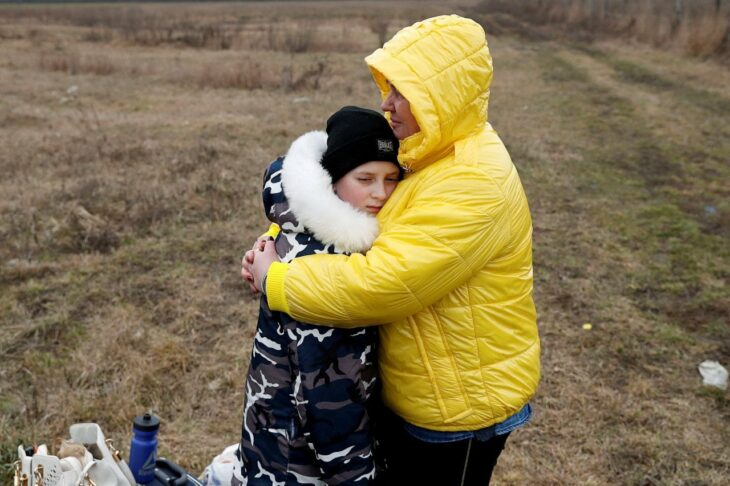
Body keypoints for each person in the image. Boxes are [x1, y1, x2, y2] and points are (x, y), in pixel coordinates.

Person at [244, 15, 540, 485]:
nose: (387, 103)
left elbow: (382, 283)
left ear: (442, 97)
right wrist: (286, 232)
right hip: (424, 385)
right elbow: (355, 199)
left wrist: (277, 278)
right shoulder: (428, 149)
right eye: (389, 87)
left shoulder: (472, 182)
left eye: (404, 92)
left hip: (457, 406)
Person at [215, 106, 401, 486]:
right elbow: (328, 399)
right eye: (365, 178)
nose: (380, 193)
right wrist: (359, 476)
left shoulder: (298, 228)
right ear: (331, 180)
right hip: (302, 462)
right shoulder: (328, 270)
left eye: (391, 178)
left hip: (270, 441)